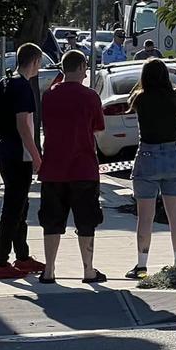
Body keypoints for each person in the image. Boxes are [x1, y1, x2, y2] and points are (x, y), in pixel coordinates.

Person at [125, 59, 176, 279]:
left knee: (145, 217)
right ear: (165, 76)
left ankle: (141, 266)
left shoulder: (139, 99)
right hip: (172, 156)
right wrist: (175, 70)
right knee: (175, 216)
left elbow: (135, 91)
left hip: (147, 156)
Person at [0, 42, 46, 280]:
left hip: (4, 152)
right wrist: (37, 157)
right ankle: (1, 262)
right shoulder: (23, 88)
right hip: (19, 155)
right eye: (40, 63)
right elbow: (23, 126)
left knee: (20, 206)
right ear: (35, 61)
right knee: (13, 209)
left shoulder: (2, 84)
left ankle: (23, 256)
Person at [37, 50, 106, 284]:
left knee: (51, 221)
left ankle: (49, 270)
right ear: (78, 68)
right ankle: (88, 270)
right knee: (86, 220)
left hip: (54, 167)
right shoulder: (90, 96)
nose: (87, 72)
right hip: (83, 167)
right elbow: (97, 128)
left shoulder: (48, 96)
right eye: (85, 67)